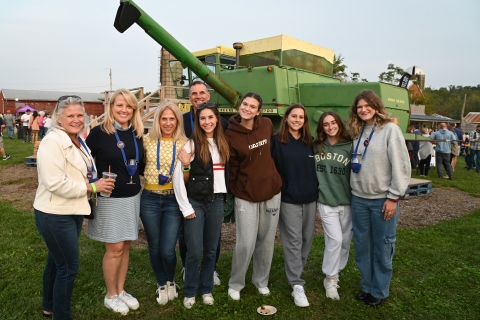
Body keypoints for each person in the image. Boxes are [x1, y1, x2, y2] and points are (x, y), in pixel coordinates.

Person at [34, 95, 114, 319]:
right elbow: (54, 183)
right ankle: (62, 315)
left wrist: (94, 182)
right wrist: (91, 187)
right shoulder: (53, 142)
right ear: (59, 117)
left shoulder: (78, 139)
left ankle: (49, 305)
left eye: (80, 115)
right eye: (70, 115)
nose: (76, 119)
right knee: (68, 266)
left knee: (56, 260)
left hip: (71, 211)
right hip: (54, 213)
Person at [348, 90, 411, 307]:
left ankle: (380, 290)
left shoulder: (389, 130)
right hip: (358, 198)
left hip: (381, 198)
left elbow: (401, 165)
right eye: (359, 107)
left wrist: (393, 197)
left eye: (368, 106)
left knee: (383, 247)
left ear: (376, 106)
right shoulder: (356, 131)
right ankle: (367, 286)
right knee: (363, 247)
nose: (363, 110)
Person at [86, 89, 144, 315]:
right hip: (109, 199)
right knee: (115, 247)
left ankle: (120, 291)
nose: (124, 110)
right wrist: (94, 181)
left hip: (132, 196)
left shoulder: (137, 133)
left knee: (126, 243)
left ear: (134, 110)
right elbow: (84, 163)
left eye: (129, 106)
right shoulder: (99, 133)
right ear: (111, 107)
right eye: (119, 105)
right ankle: (110, 295)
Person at [226, 92, 282, 300]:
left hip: (271, 191)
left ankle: (261, 280)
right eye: (245, 104)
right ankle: (236, 283)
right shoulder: (230, 134)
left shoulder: (267, 125)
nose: (247, 108)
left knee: (266, 239)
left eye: (252, 106)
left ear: (259, 111)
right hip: (245, 194)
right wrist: (236, 188)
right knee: (246, 241)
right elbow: (232, 166)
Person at [174, 103, 229, 309]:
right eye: (202, 118)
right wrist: (186, 207)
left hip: (216, 201)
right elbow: (178, 178)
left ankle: (206, 289)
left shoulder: (223, 144)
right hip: (195, 202)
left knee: (211, 250)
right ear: (198, 121)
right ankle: (190, 291)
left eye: (210, 118)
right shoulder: (191, 144)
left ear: (217, 119)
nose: (207, 122)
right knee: (194, 250)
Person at [140, 102, 188, 305]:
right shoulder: (146, 140)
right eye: (164, 118)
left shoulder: (185, 143)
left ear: (178, 121)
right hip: (150, 198)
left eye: (172, 119)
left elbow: (186, 180)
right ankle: (161, 283)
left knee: (168, 248)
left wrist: (185, 166)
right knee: (154, 246)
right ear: (158, 120)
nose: (168, 123)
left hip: (172, 199)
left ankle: (171, 280)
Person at [270, 103, 317, 307]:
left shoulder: (311, 142)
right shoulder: (276, 142)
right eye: (294, 116)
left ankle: (297, 271)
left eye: (301, 117)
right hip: (288, 198)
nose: (297, 120)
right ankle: (297, 284)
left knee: (307, 239)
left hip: (310, 198)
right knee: (293, 240)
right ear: (286, 118)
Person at [314, 111, 353, 301]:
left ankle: (336, 271)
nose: (330, 127)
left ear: (339, 124)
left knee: (345, 241)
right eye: (326, 124)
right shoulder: (316, 146)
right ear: (322, 127)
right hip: (326, 200)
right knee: (335, 240)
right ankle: (330, 278)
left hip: (347, 201)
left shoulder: (350, 145)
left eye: (333, 123)